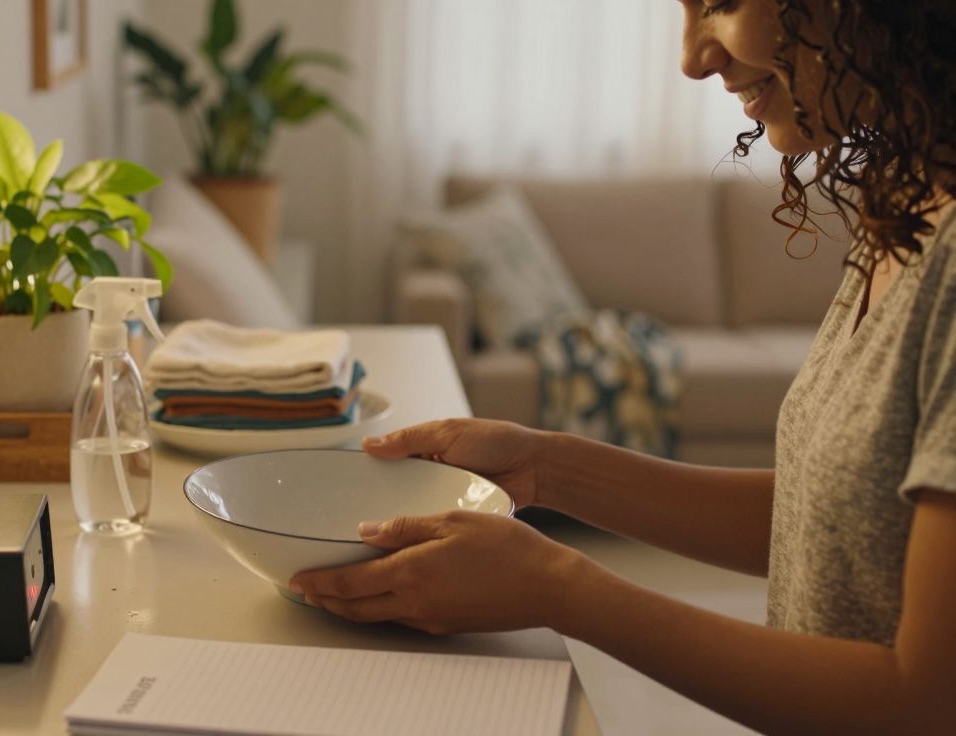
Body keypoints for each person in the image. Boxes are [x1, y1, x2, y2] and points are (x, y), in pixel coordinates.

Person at [289, 1, 956, 732]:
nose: (692, 59)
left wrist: (557, 586)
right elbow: (837, 522)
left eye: (721, 4)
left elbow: (919, 701)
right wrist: (548, 468)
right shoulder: (907, 211)